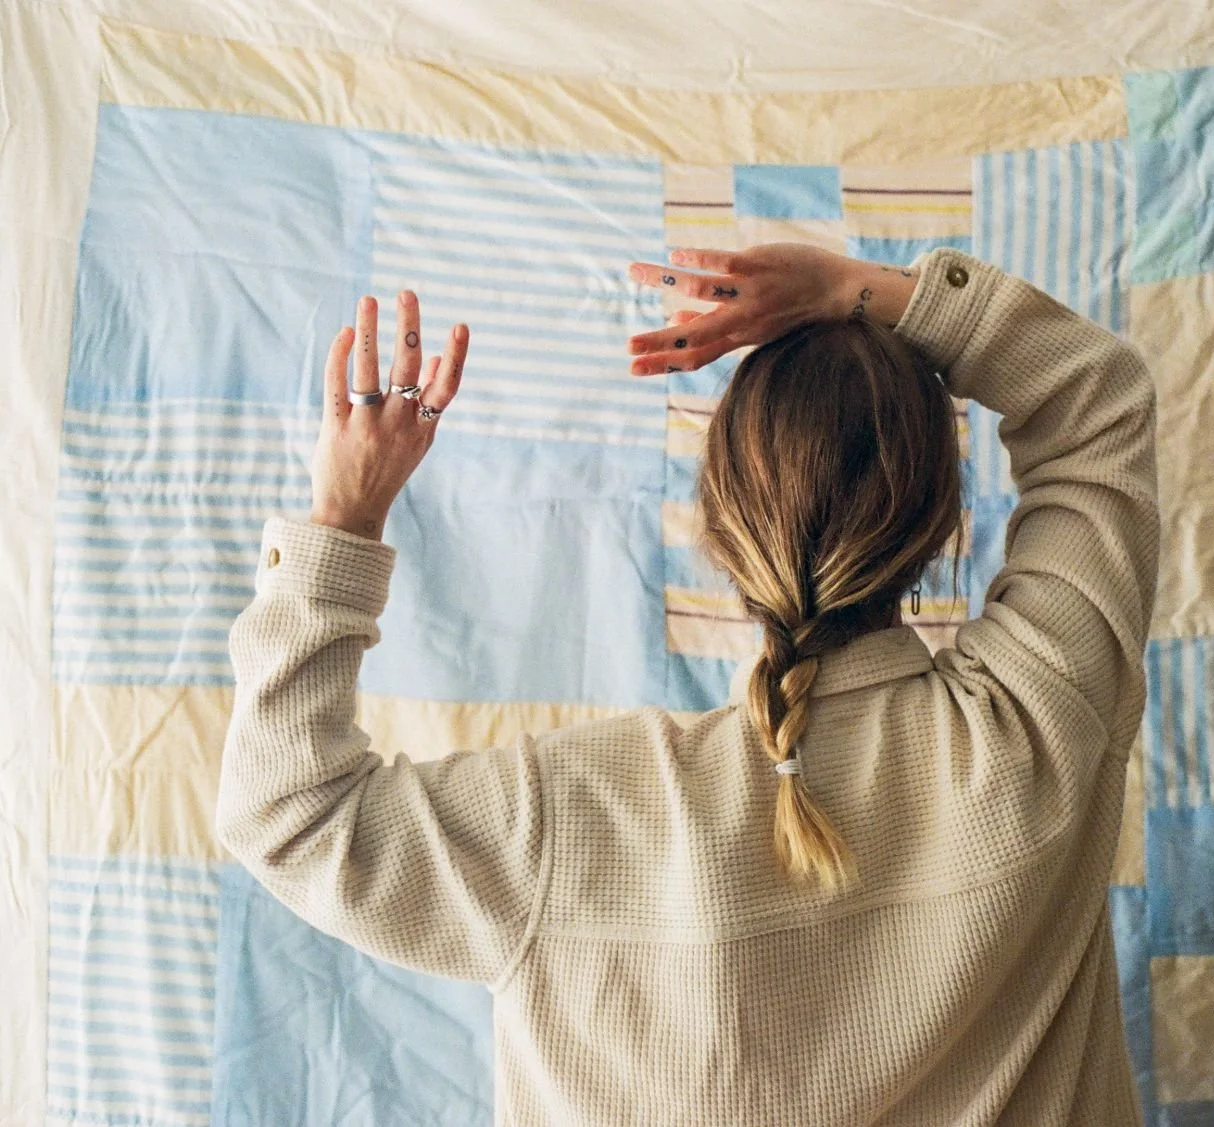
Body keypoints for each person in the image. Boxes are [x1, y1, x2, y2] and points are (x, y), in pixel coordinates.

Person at [217, 242, 1160, 1125]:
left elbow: (287, 809)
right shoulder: (1043, 721)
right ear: (942, 523)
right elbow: (1093, 401)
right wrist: (846, 287)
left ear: (719, 524)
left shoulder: (573, 816)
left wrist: (345, 514)